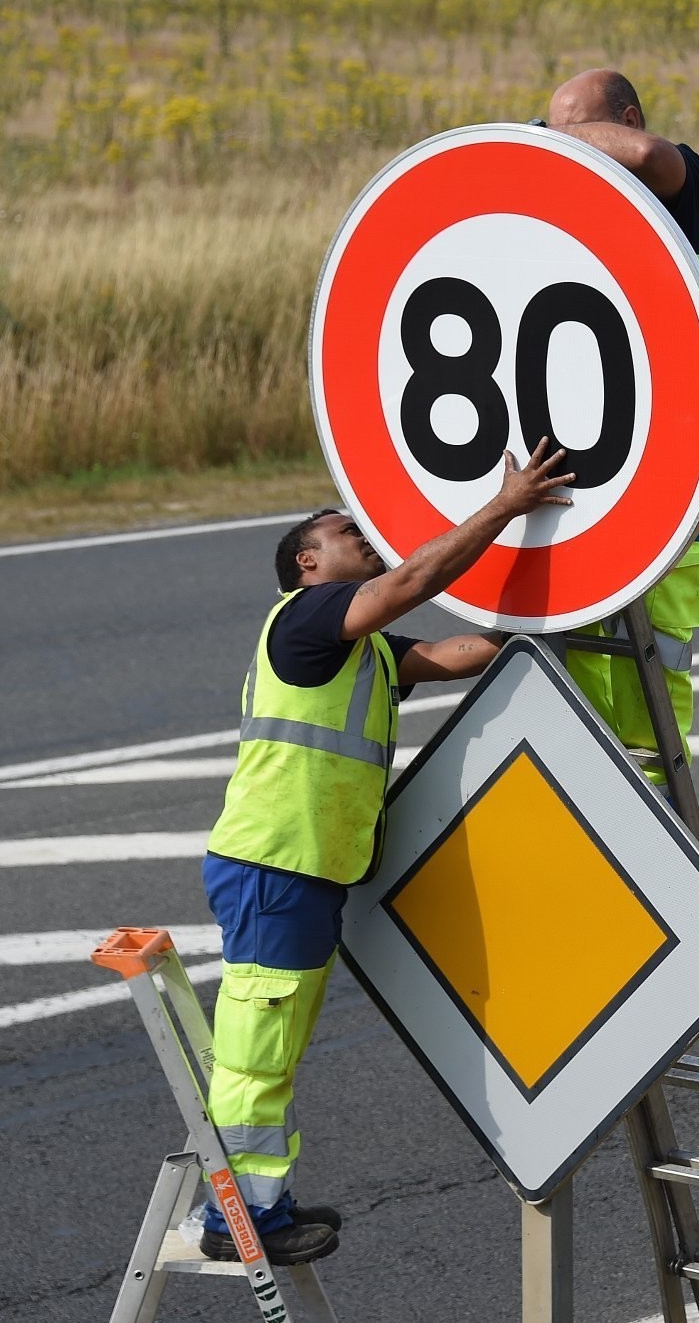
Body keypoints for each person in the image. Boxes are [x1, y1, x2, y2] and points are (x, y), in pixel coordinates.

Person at [196, 440, 573, 1264]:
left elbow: (453, 653)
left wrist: (560, 611)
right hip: (276, 864)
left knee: (276, 1044)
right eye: (342, 531)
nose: (360, 533)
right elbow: (410, 582)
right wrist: (505, 506)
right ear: (307, 560)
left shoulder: (358, 649)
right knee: (256, 1048)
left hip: (306, 871)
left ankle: (265, 1200)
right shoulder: (304, 619)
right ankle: (236, 1217)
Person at [544, 69, 699, 772]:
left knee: (648, 735)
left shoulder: (688, 200)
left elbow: (650, 158)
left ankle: (658, 853)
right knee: (572, 725)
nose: (565, 150)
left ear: (623, 118)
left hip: (664, 502)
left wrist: (547, 143)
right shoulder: (570, 215)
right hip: (566, 496)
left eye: (581, 130)